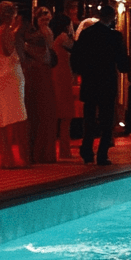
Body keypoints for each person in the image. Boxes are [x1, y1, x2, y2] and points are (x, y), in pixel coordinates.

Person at [70, 3, 129, 165]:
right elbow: (122, 60)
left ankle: (87, 150)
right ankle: (103, 153)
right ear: (111, 18)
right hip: (107, 82)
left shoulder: (87, 33)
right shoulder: (114, 36)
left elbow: (76, 56)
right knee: (106, 119)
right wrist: (125, 69)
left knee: (88, 118)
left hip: (89, 81)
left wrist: (80, 71)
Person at [0, 1, 30, 169]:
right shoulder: (6, 31)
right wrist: (16, 33)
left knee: (1, 118)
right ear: (11, 15)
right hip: (9, 73)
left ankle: (6, 157)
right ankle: (23, 156)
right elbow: (8, 51)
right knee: (16, 115)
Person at [22, 6, 58, 163]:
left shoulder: (45, 34)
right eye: (42, 19)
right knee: (37, 113)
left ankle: (40, 153)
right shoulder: (35, 35)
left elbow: (46, 53)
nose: (45, 22)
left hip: (40, 74)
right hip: (35, 75)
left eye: (47, 19)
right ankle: (36, 152)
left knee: (43, 113)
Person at [50, 13, 77, 159]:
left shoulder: (53, 38)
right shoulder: (63, 38)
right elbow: (75, 47)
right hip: (63, 76)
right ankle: (64, 150)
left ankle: (58, 149)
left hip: (56, 75)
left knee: (58, 114)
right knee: (66, 115)